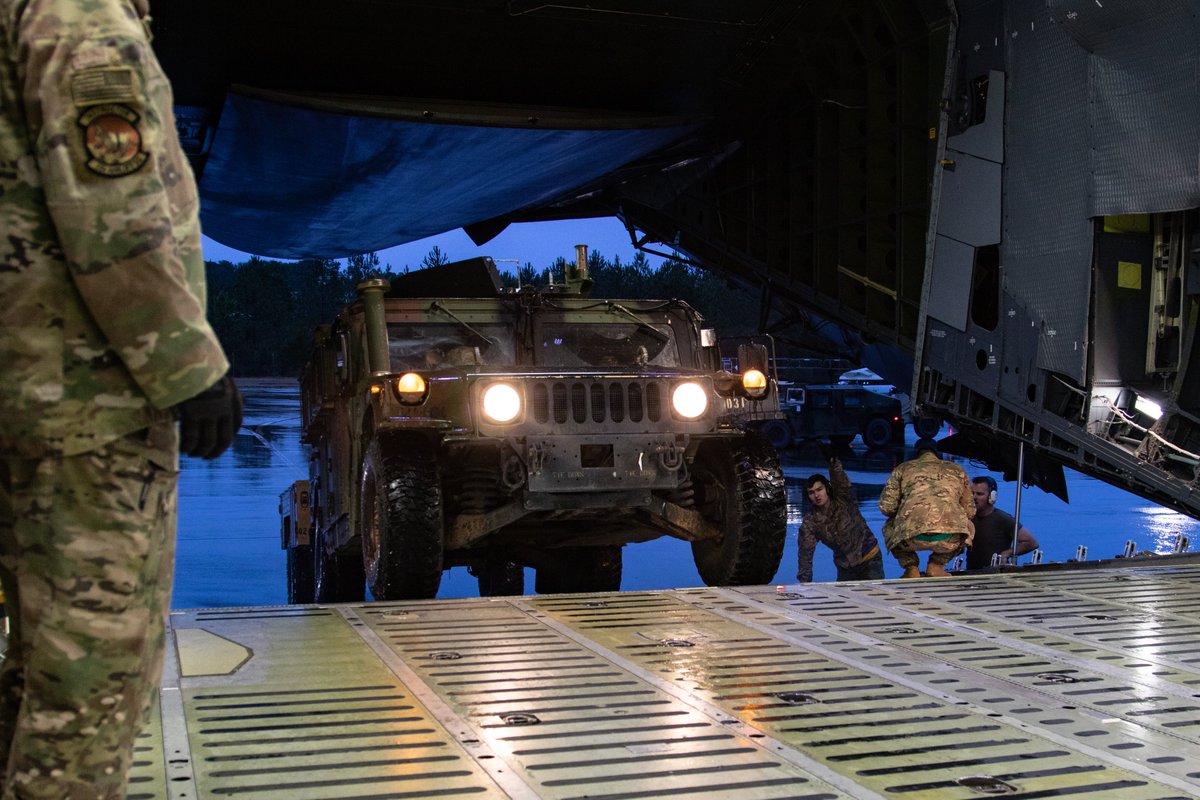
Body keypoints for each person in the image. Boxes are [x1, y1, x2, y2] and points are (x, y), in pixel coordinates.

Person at [0, 0, 240, 796]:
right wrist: (187, 364)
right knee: (90, 689)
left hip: (35, 388)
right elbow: (112, 208)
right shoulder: (80, 13)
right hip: (85, 401)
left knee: (39, 672)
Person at [878, 440, 974, 578]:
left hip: (909, 539)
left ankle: (911, 567)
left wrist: (905, 512)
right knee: (969, 526)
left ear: (917, 453)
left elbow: (886, 508)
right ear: (937, 453)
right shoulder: (957, 470)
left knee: (888, 526)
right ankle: (937, 565)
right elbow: (970, 511)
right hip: (948, 539)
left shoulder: (903, 468)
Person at [796, 452, 884, 582]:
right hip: (845, 567)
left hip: (869, 558)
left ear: (826, 489)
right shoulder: (811, 521)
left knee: (875, 597)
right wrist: (805, 582)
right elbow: (805, 551)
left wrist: (833, 463)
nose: (817, 495)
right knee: (845, 599)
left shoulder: (843, 500)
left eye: (819, 489)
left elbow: (841, 483)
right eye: (811, 493)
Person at [966, 476, 1039, 569]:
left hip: (995, 573)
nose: (974, 497)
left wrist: (1006, 553)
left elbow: (1031, 543)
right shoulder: (968, 518)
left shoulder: (1003, 519)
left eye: (980, 494)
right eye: (972, 493)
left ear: (992, 496)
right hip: (971, 572)